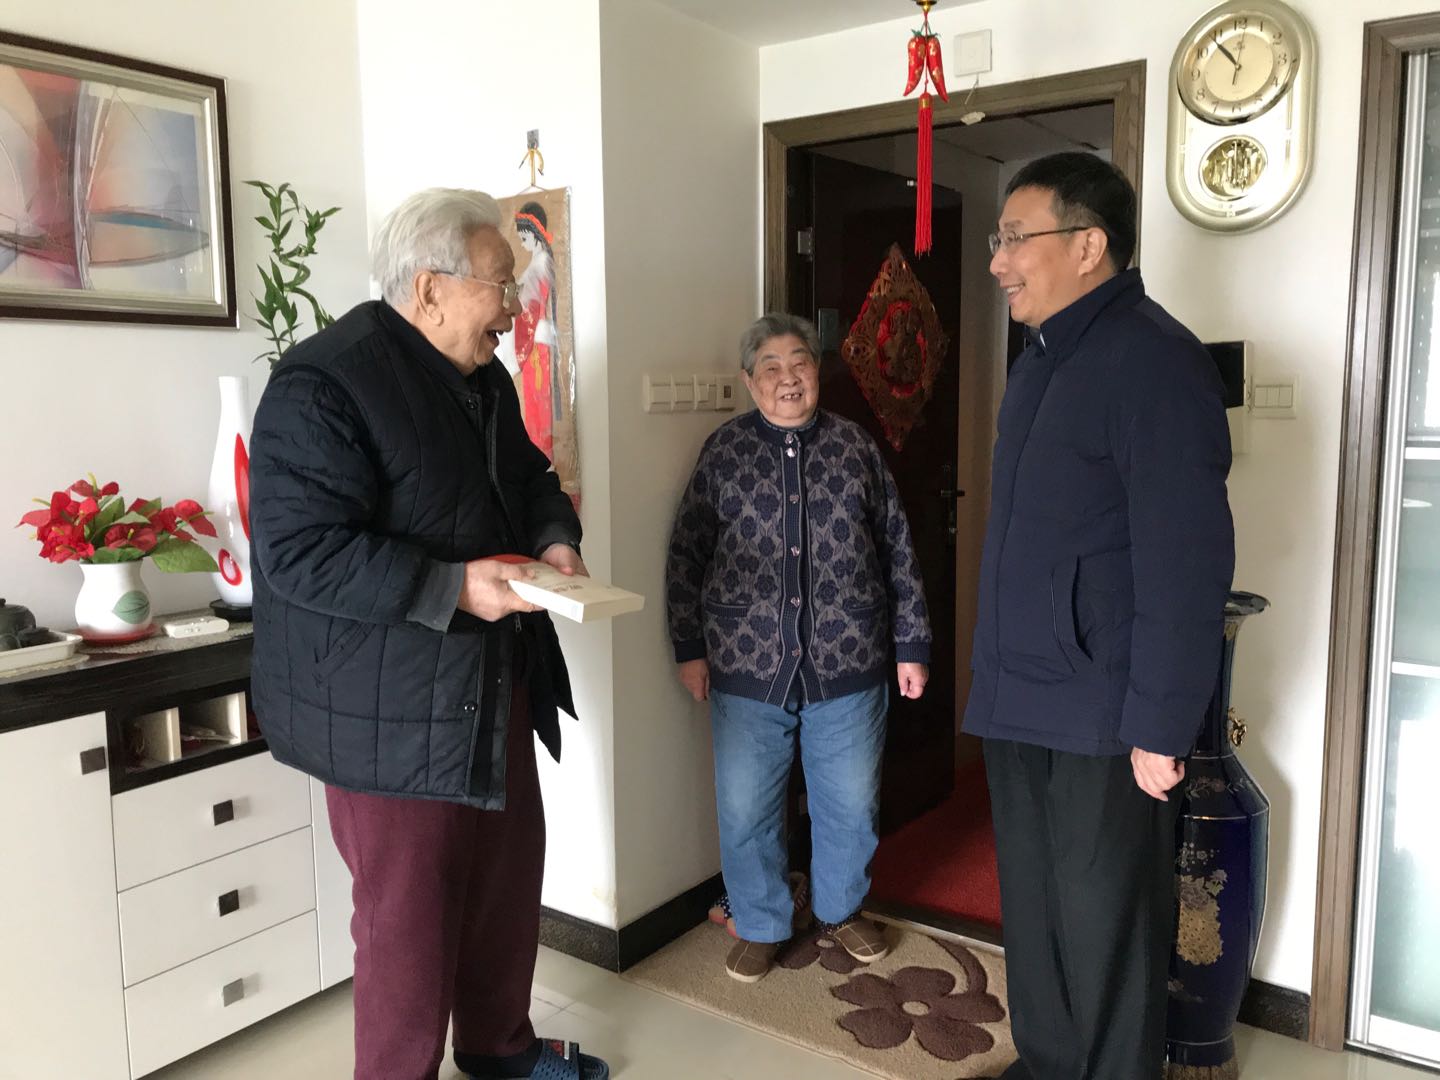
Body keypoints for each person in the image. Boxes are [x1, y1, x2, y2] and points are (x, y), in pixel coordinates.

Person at [248, 187, 609, 1080]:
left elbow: (530, 478)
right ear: (430, 288)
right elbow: (299, 553)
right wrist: (453, 587)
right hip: (388, 708)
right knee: (406, 922)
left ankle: (500, 1048)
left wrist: (554, 538)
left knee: (505, 882)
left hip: (490, 680)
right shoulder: (324, 383)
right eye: (501, 283)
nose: (515, 306)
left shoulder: (481, 378)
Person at [964, 152, 1234, 1078]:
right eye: (998, 239)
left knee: (1106, 923)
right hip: (1019, 694)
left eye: (1015, 238)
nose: (997, 261)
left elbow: (1187, 561)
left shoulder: (1156, 360)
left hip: (1102, 711)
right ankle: (1048, 1064)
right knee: (1035, 913)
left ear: (1088, 245)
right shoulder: (1040, 361)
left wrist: (1160, 723)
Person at [666, 313, 931, 984]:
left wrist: (912, 644)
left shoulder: (854, 447)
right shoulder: (724, 452)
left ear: (818, 371)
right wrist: (689, 648)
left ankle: (841, 911)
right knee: (746, 807)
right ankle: (762, 922)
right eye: (772, 367)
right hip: (745, 664)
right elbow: (686, 553)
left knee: (851, 802)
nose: (788, 379)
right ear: (749, 380)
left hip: (850, 660)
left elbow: (898, 547)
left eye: (800, 363)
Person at [513, 201, 560, 459]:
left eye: (523, 238)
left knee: (537, 401)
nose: (522, 244)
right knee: (534, 401)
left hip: (535, 343)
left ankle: (541, 456)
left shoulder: (541, 264)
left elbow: (529, 308)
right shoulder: (540, 262)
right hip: (535, 341)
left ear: (533, 233)